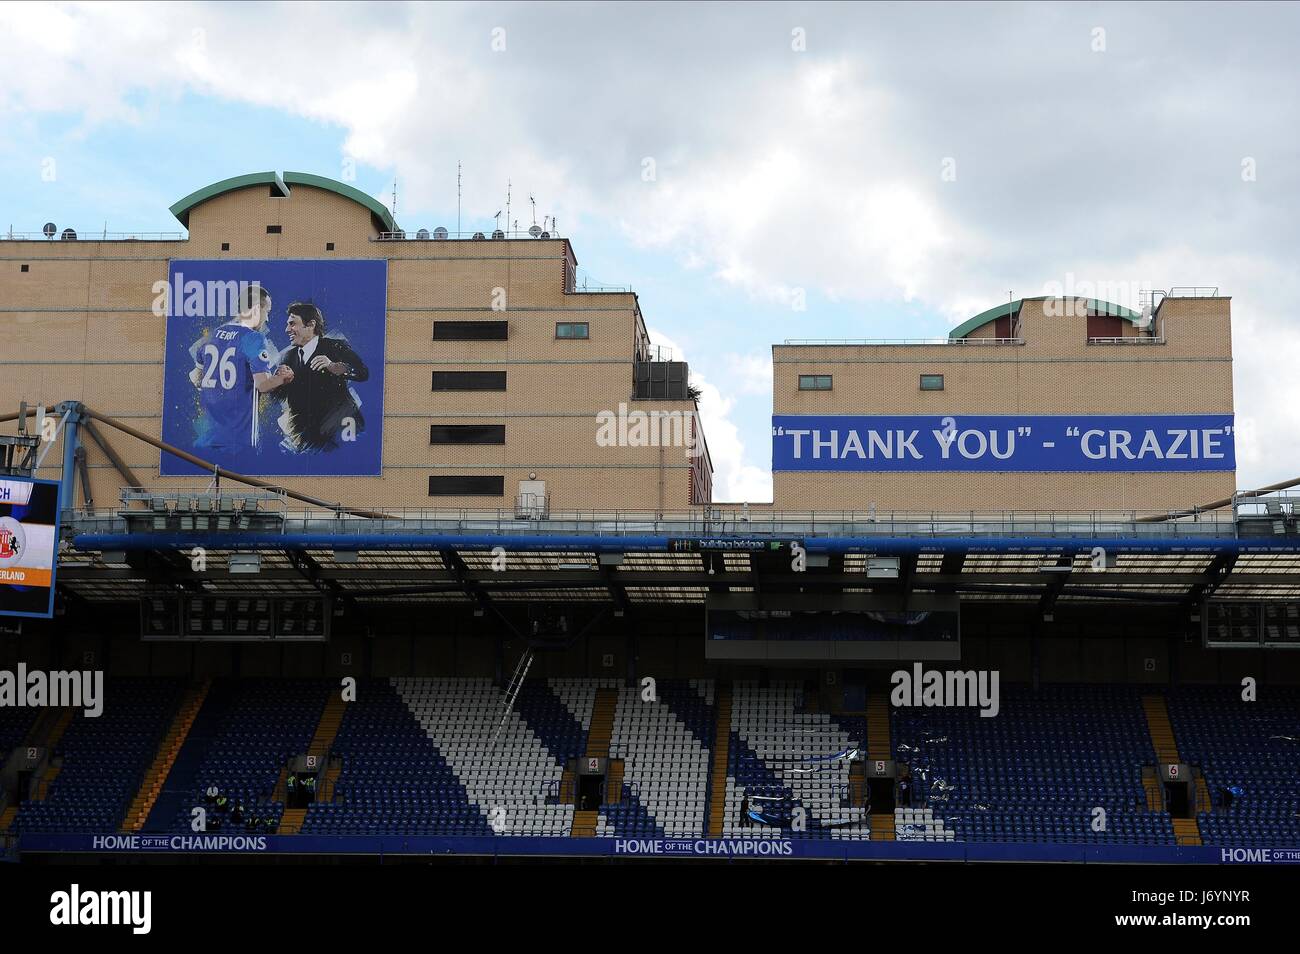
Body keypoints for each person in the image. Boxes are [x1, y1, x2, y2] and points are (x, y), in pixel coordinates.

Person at [187, 284, 292, 451]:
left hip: (208, 438)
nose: (267, 318)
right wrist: (282, 378)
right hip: (238, 440)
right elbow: (263, 385)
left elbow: (195, 377)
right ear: (256, 309)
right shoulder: (253, 338)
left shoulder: (213, 335)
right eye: (267, 311)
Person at [276, 302, 369, 452]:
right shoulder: (288, 357)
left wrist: (334, 366)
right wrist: (277, 381)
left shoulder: (335, 347)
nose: (287, 329)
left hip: (341, 431)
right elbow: (281, 396)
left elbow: (362, 372)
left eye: (292, 324)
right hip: (308, 437)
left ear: (311, 324)